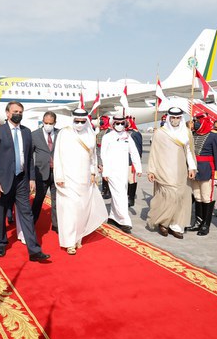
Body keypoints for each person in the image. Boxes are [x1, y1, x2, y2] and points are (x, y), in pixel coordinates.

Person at [0, 101, 50, 262]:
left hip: (22, 179)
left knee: (26, 213)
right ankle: (1, 242)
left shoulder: (26, 132)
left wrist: (31, 178)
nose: (18, 114)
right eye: (15, 111)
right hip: (2, 181)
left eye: (21, 111)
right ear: (7, 113)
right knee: (0, 213)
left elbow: (29, 158)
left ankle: (34, 250)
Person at [54, 109, 107, 254]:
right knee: (70, 209)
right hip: (67, 179)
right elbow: (57, 155)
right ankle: (69, 242)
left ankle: (78, 238)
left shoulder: (90, 134)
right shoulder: (64, 133)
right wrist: (59, 176)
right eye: (76, 121)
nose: (79, 124)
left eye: (82, 122)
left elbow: (92, 157)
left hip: (84, 179)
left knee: (82, 209)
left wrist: (93, 173)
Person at [145, 108, 196, 238]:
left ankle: (176, 225)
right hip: (163, 169)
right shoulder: (160, 133)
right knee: (168, 195)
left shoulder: (187, 132)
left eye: (178, 117)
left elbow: (190, 151)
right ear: (168, 118)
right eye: (173, 117)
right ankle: (163, 222)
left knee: (181, 197)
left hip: (180, 170)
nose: (175, 120)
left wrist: (192, 167)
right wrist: (151, 170)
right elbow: (154, 153)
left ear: (181, 118)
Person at [184, 111, 217, 236]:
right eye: (194, 121)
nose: (195, 124)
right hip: (195, 169)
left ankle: (205, 225)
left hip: (208, 170)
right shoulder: (194, 135)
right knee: (197, 196)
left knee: (206, 197)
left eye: (197, 122)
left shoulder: (214, 137)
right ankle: (198, 221)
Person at [101, 114, 143, 234]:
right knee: (120, 195)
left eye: (122, 124)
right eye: (117, 124)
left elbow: (134, 152)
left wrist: (138, 168)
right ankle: (125, 221)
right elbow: (103, 155)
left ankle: (113, 217)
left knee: (119, 193)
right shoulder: (107, 137)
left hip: (123, 171)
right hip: (111, 171)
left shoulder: (127, 137)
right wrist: (105, 171)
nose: (120, 126)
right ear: (113, 124)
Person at [32, 111, 59, 232]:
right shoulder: (35, 135)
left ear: (55, 123)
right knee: (38, 200)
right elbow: (29, 155)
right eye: (46, 123)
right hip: (41, 173)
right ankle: (31, 223)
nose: (48, 125)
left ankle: (56, 225)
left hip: (57, 173)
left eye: (51, 123)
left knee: (57, 201)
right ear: (43, 122)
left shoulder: (60, 134)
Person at [127, 116, 144, 207]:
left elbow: (138, 148)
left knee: (131, 180)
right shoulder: (124, 133)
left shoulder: (135, 133)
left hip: (130, 161)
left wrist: (136, 162)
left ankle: (131, 198)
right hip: (122, 161)